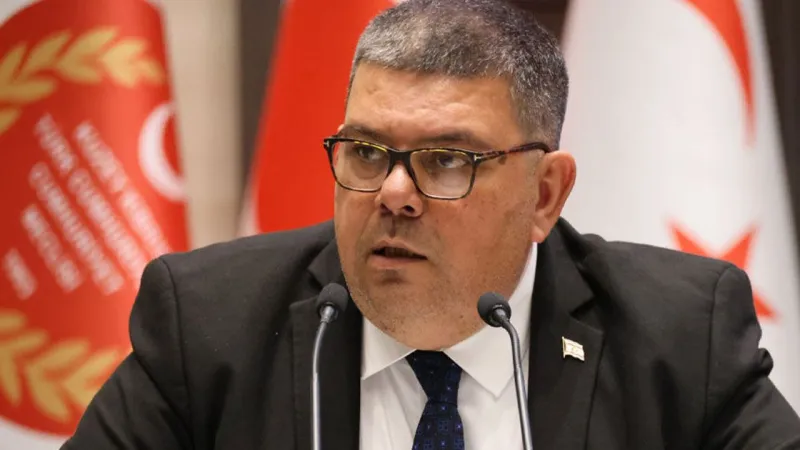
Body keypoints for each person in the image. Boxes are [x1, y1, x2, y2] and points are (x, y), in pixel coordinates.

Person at [63, 0, 800, 448]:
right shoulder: (209, 324)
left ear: (545, 194)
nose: (393, 193)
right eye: (366, 151)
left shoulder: (677, 337)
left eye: (448, 161)